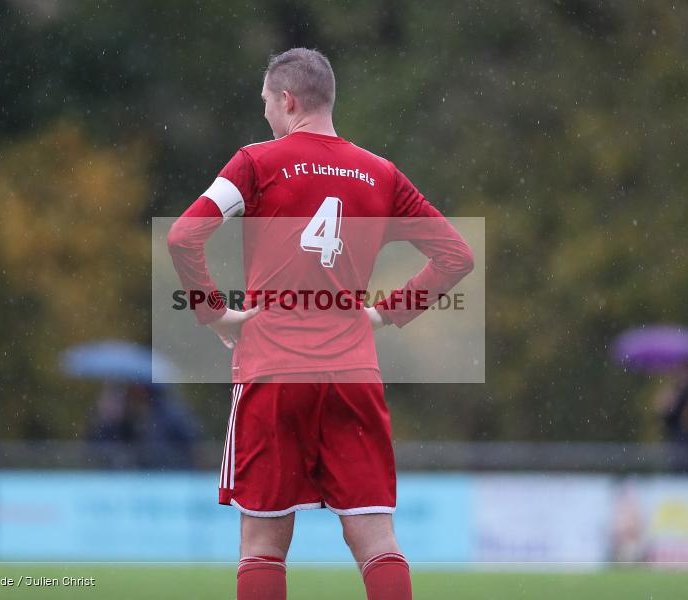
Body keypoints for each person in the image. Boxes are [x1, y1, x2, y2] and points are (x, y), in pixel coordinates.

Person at [168, 48, 473, 600]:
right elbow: (457, 256)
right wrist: (385, 313)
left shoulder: (256, 163)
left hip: (271, 372)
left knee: (262, 545)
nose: (264, 113)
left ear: (287, 101)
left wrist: (213, 311)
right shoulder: (382, 174)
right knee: (378, 541)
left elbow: (183, 235)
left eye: (265, 102)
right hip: (352, 374)